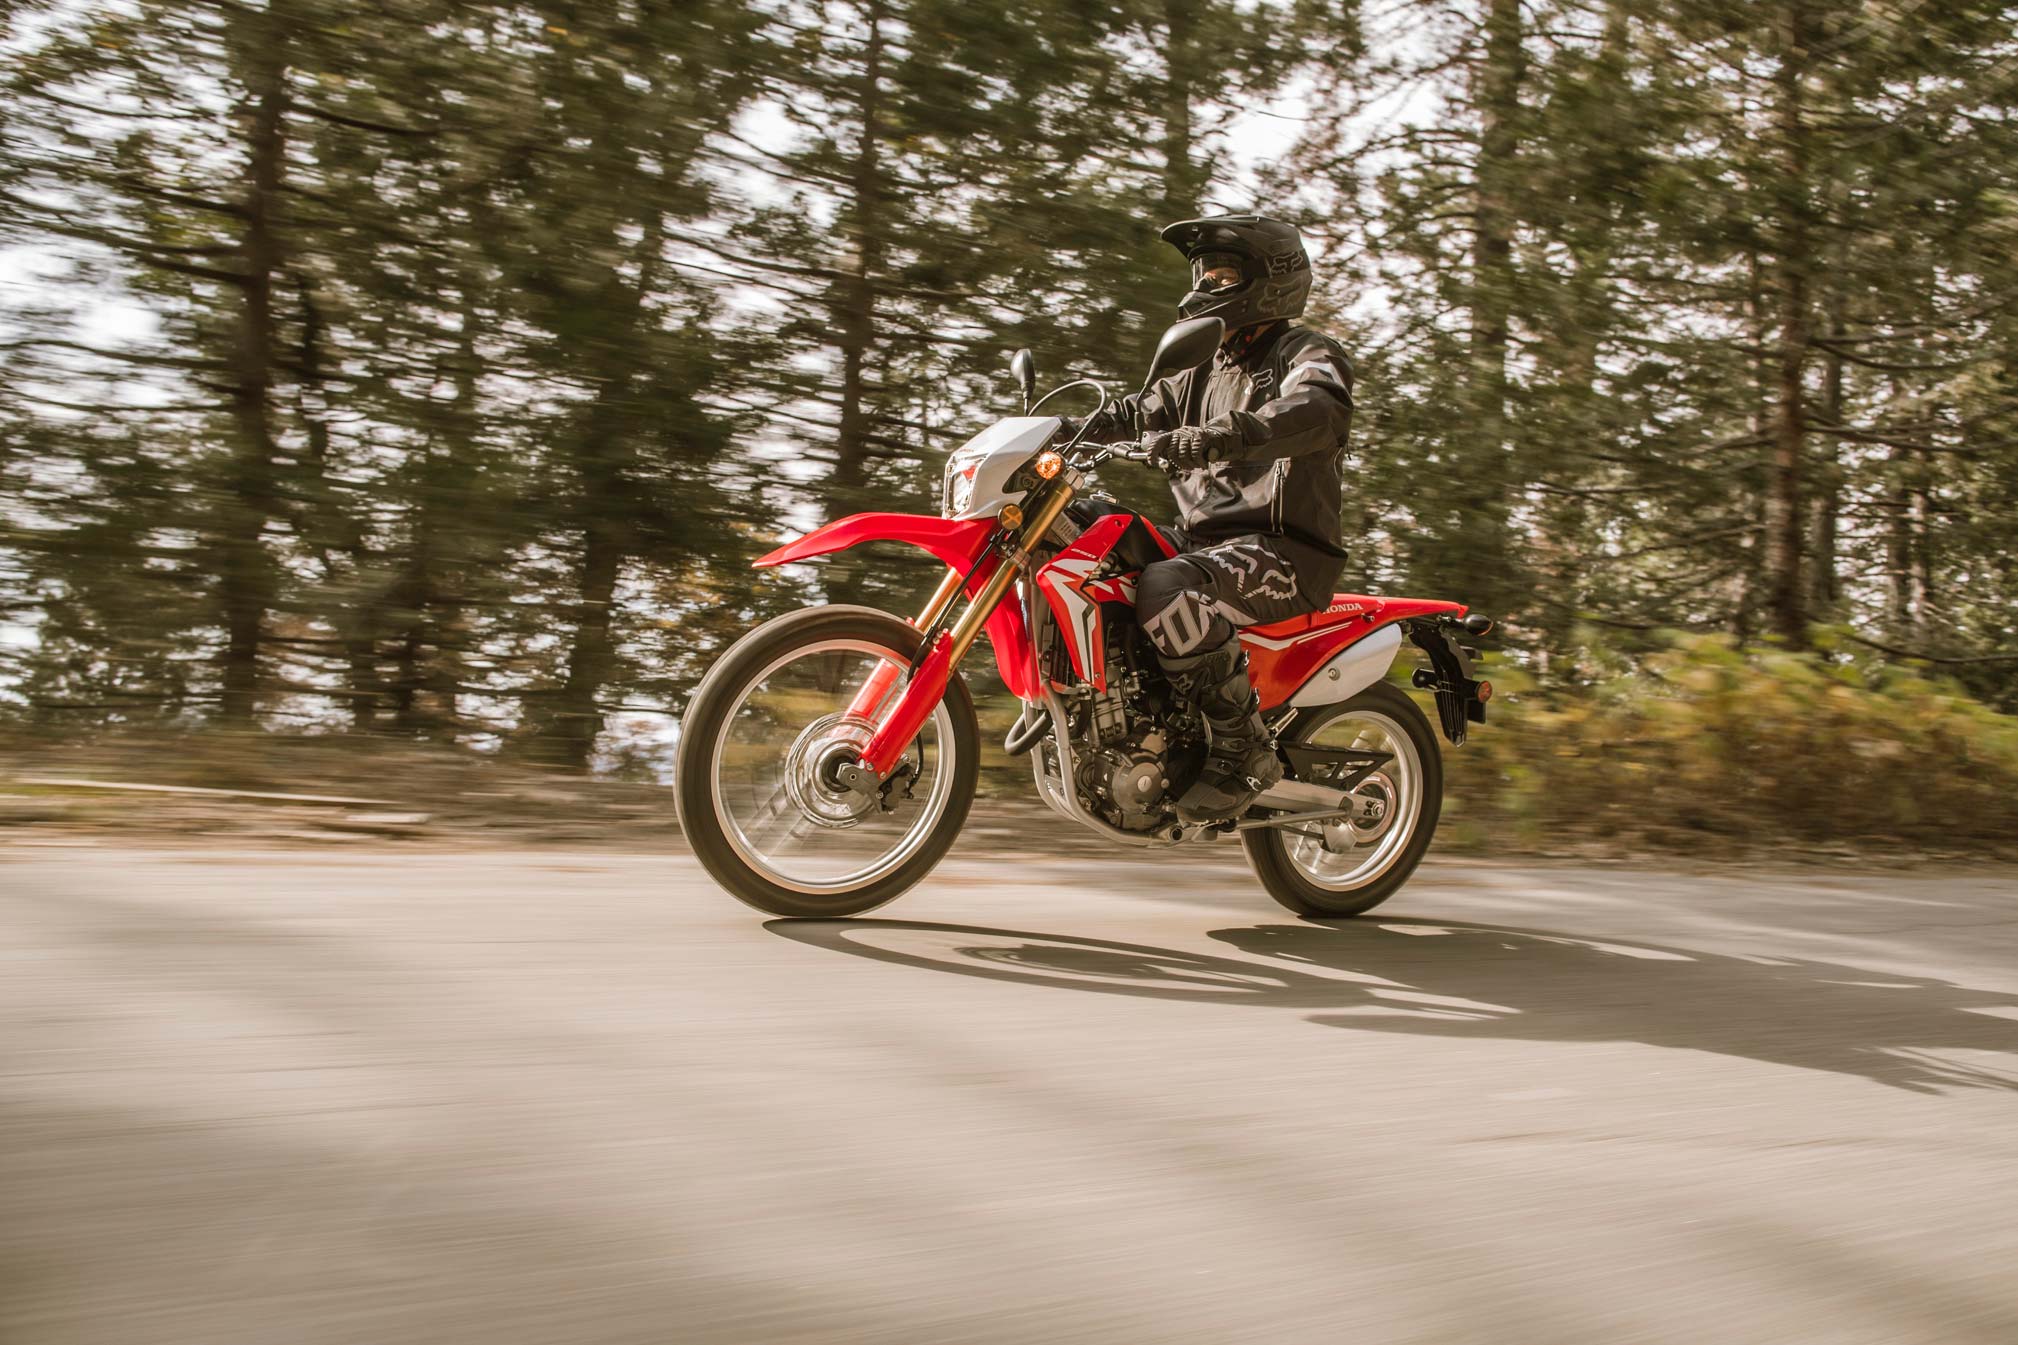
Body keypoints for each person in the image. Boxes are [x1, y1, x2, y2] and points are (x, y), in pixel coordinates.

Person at [1068, 214, 1354, 823]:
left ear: (1269, 280)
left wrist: (1224, 435)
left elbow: (1317, 408)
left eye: (1222, 274)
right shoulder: (1202, 368)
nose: (1206, 285)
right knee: (1087, 529)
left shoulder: (1306, 352)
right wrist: (1059, 432)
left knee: (1166, 586)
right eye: (1204, 273)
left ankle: (1243, 747)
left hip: (1283, 551)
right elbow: (1134, 413)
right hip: (1202, 545)